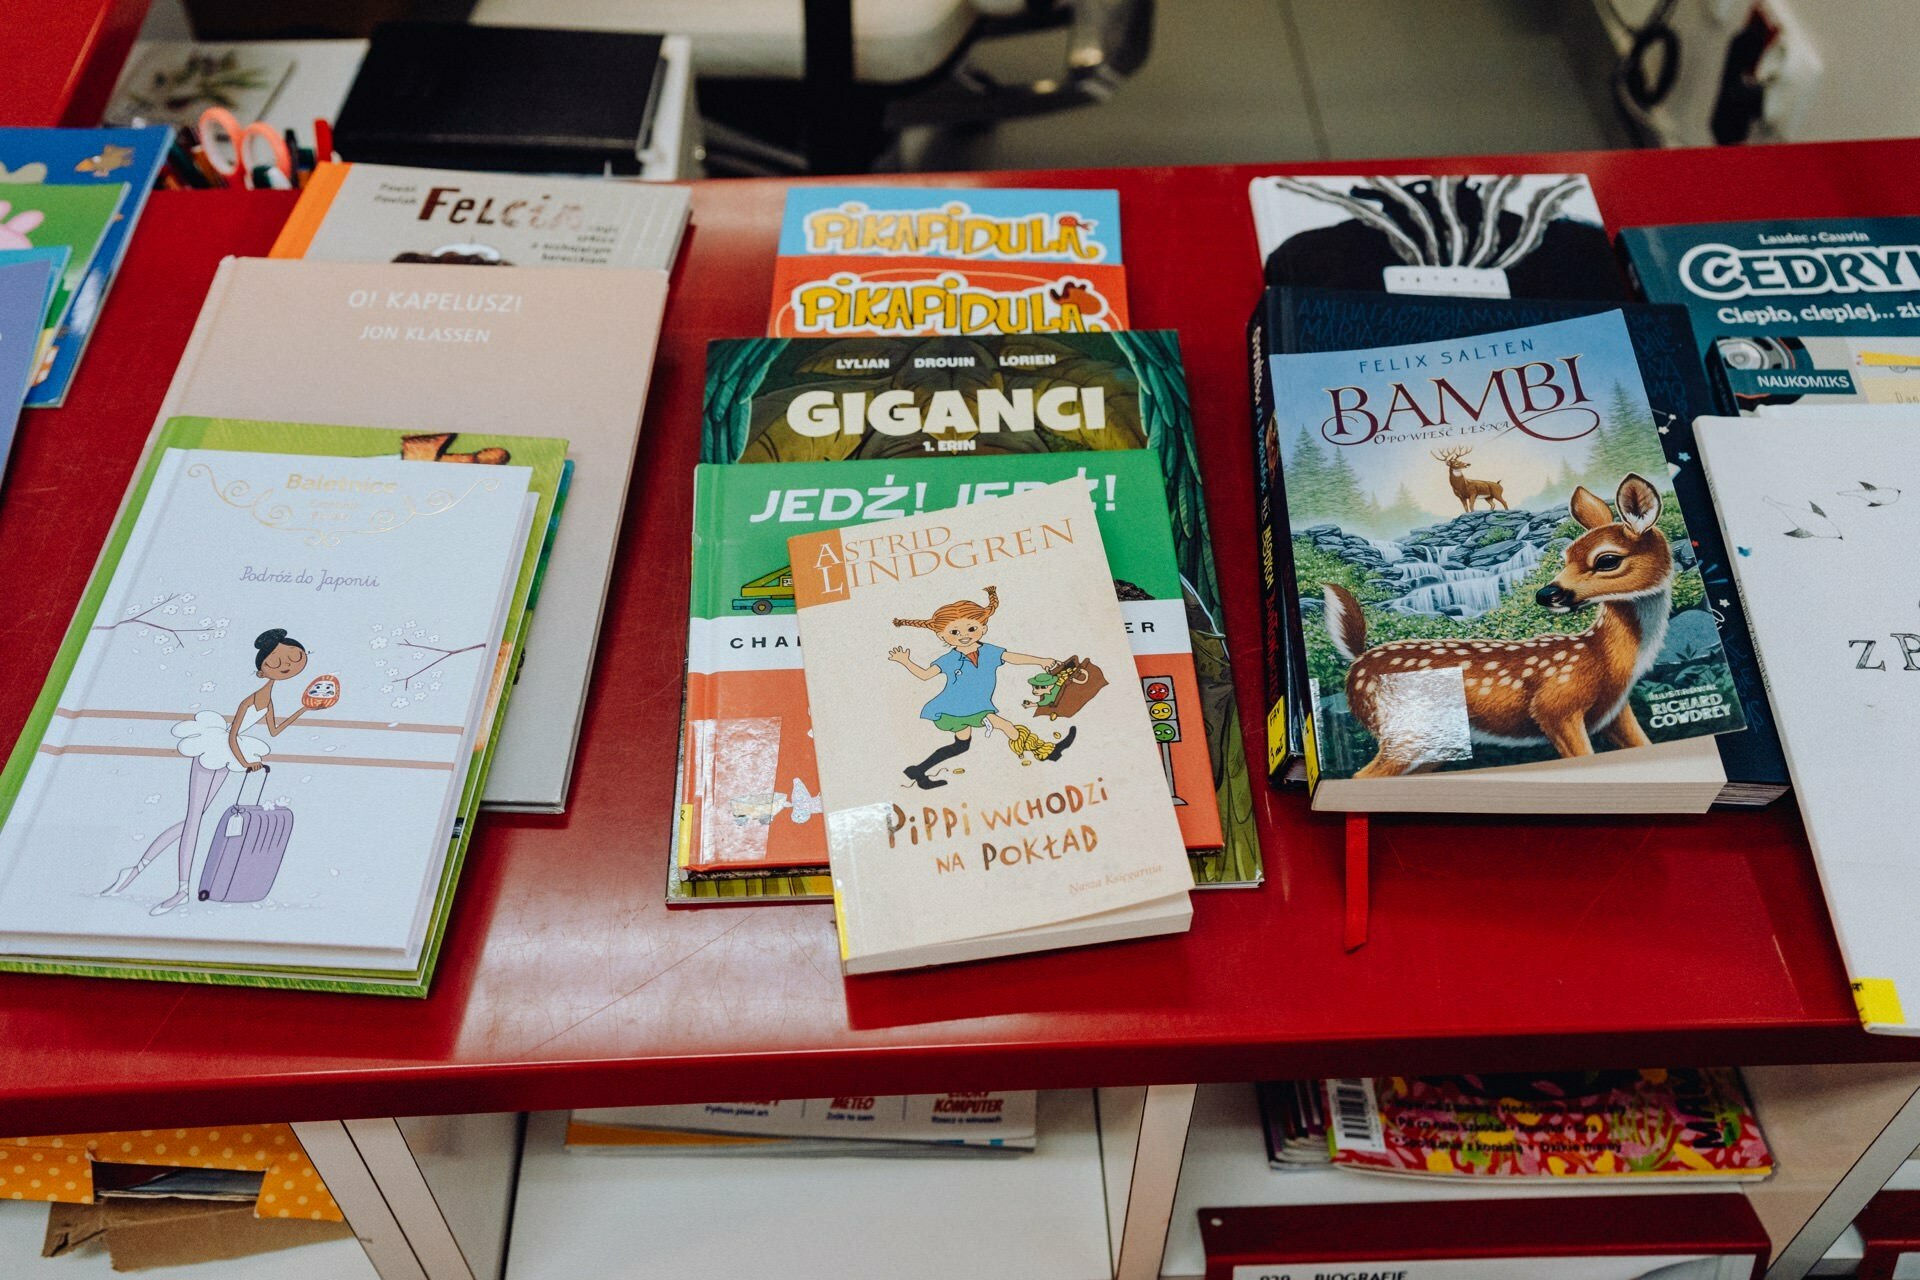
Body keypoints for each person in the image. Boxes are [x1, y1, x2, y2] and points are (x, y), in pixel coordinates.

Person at [102, 629, 314, 915]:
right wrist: (246, 762)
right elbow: (232, 735)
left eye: (293, 658)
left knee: (193, 820)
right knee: (193, 821)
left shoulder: (268, 700)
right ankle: (180, 889)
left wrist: (302, 709)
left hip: (230, 755)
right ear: (262, 671)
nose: (286, 665)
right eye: (276, 662)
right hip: (216, 750)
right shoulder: (251, 700)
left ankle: (136, 869)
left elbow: (274, 730)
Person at [889, 586, 1075, 790]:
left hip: (968, 708)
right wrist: (905, 661)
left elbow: (1013, 657)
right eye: (954, 632)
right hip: (958, 707)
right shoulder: (950, 659)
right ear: (942, 636)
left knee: (961, 745)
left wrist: (1042, 661)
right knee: (1007, 727)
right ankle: (1048, 752)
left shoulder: (990, 652)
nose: (964, 636)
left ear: (983, 628)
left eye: (971, 628)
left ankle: (918, 771)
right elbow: (925, 675)